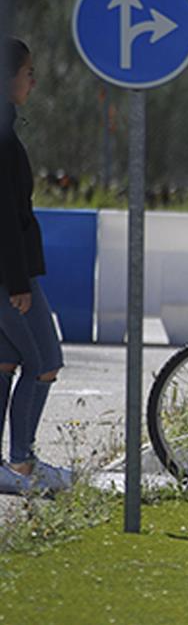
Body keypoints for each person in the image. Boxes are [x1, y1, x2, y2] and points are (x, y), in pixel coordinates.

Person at [0, 38, 72, 494]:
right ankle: (22, 463)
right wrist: (18, 281)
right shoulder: (3, 136)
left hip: (10, 271)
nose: (34, 80)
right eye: (28, 71)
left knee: (6, 362)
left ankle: (12, 468)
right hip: (9, 275)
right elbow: (5, 215)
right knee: (44, 362)